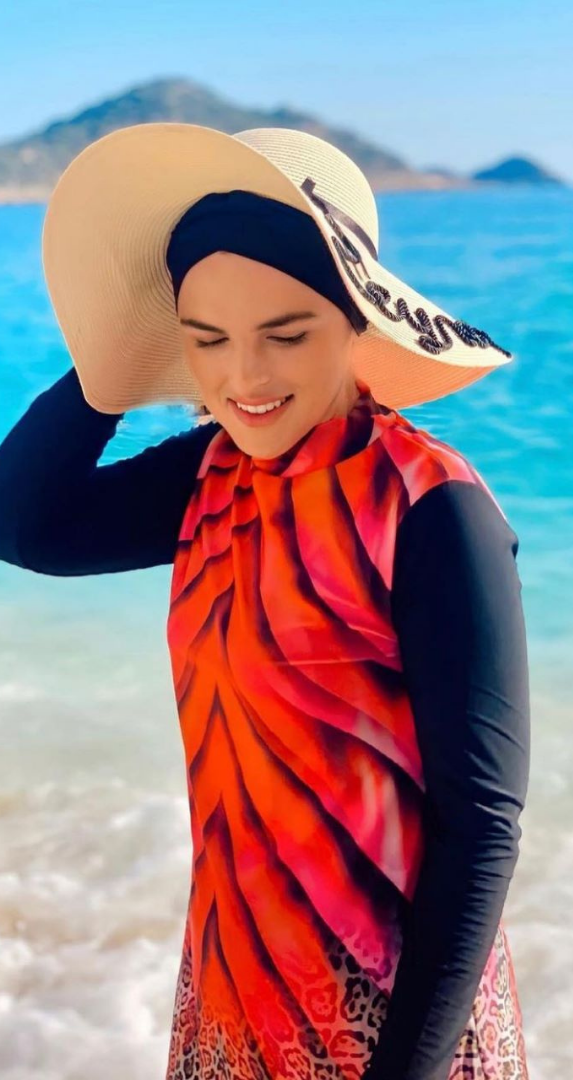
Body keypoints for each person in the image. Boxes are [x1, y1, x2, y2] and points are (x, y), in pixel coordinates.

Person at [0, 123, 532, 1080]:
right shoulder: (214, 475)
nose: (244, 378)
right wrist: (115, 366)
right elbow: (27, 525)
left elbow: (482, 825)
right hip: (233, 1001)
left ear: (355, 321)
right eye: (207, 340)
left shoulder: (430, 507)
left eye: (285, 334)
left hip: (394, 1024)